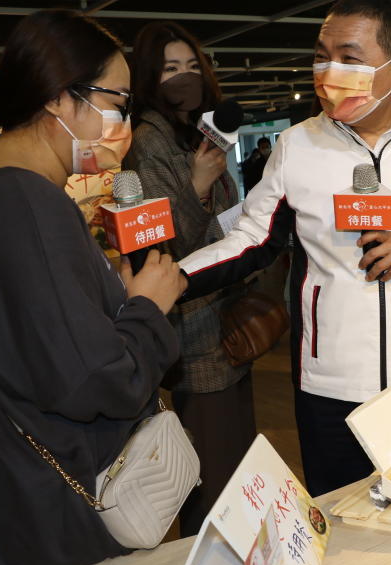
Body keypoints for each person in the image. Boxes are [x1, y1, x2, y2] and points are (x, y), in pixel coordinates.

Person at [177, 0, 391, 497]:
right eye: (322, 56)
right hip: (328, 386)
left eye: (351, 59)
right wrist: (177, 278)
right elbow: (252, 239)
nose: (330, 73)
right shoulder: (296, 146)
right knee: (339, 519)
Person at [0, 9, 186, 565]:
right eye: (117, 102)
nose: (122, 122)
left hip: (17, 495)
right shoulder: (27, 203)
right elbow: (92, 379)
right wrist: (147, 308)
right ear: (61, 100)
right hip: (60, 509)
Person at [124, 21, 254, 537]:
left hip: (227, 319)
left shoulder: (200, 133)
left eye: (191, 66)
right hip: (195, 335)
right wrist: (197, 184)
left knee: (239, 463)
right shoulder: (148, 141)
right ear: (150, 78)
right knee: (213, 475)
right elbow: (161, 248)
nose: (184, 77)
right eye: (170, 69)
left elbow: (229, 213)